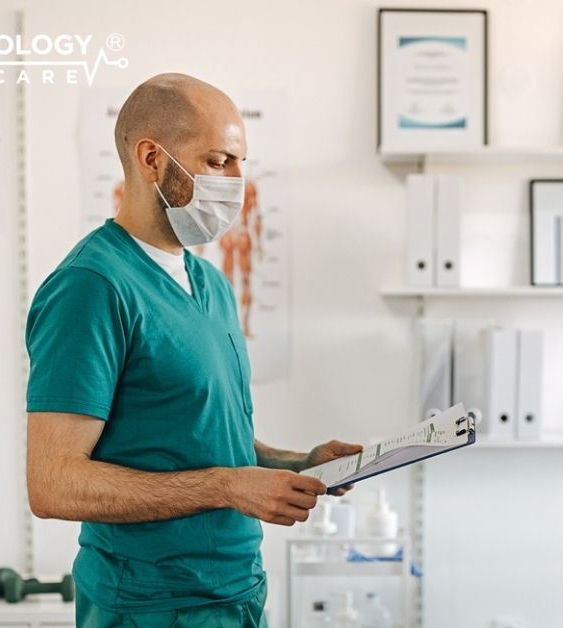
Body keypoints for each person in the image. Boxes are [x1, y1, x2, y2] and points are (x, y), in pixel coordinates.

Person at [24, 73, 362, 627]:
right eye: (218, 161)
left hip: (235, 590)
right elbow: (54, 483)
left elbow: (198, 433)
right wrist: (228, 486)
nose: (236, 181)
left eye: (240, 164)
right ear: (152, 158)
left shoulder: (210, 284)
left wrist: (297, 464)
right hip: (151, 604)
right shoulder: (92, 286)